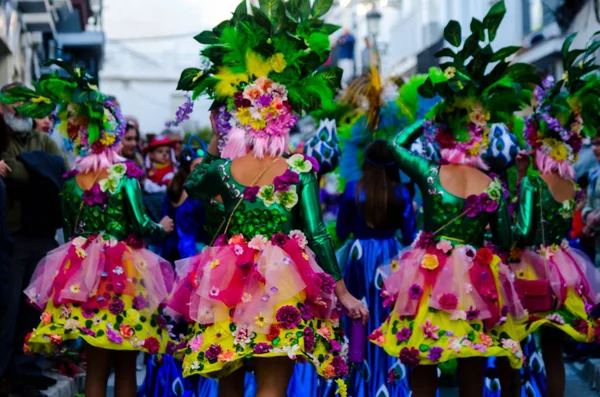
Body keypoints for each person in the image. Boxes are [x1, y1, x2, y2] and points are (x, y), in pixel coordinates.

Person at [168, 4, 367, 395]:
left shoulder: (224, 169)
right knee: (272, 389)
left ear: (241, 115)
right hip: (284, 284)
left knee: (228, 388)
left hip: (226, 282)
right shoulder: (299, 169)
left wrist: (215, 138)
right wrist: (342, 293)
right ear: (285, 116)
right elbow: (317, 236)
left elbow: (197, 186)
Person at [370, 6, 532, 397]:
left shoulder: (429, 172)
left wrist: (428, 120)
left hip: (426, 275)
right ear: (479, 134)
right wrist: (523, 184)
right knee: (472, 369)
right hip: (478, 281)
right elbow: (511, 237)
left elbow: (394, 146)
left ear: (446, 134)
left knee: (423, 363)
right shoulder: (493, 185)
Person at [0, 64, 176, 397]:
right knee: (125, 363)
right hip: (125, 277)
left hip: (85, 278)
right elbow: (140, 224)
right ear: (113, 134)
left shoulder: (71, 184)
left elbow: (70, 230)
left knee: (95, 362)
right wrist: (162, 228)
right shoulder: (124, 177)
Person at [512, 64, 600, 397]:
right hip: (565, 270)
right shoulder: (570, 185)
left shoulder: (533, 182)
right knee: (554, 356)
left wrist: (521, 176)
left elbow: (522, 227)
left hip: (529, 269)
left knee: (514, 350)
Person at [0, 82, 68, 395]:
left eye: (26, 104)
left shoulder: (43, 140)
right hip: (14, 237)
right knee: (9, 308)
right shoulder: (5, 140)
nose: (20, 111)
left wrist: (30, 169)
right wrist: (38, 169)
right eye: (14, 104)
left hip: (43, 237)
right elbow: (20, 173)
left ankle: (28, 371)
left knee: (35, 310)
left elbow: (60, 174)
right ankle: (7, 372)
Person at [336, 139, 416, 397]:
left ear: (366, 162)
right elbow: (409, 235)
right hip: (390, 258)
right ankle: (389, 382)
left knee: (357, 314)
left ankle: (355, 383)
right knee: (389, 317)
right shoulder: (403, 192)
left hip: (358, 257)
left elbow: (340, 231)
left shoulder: (352, 189)